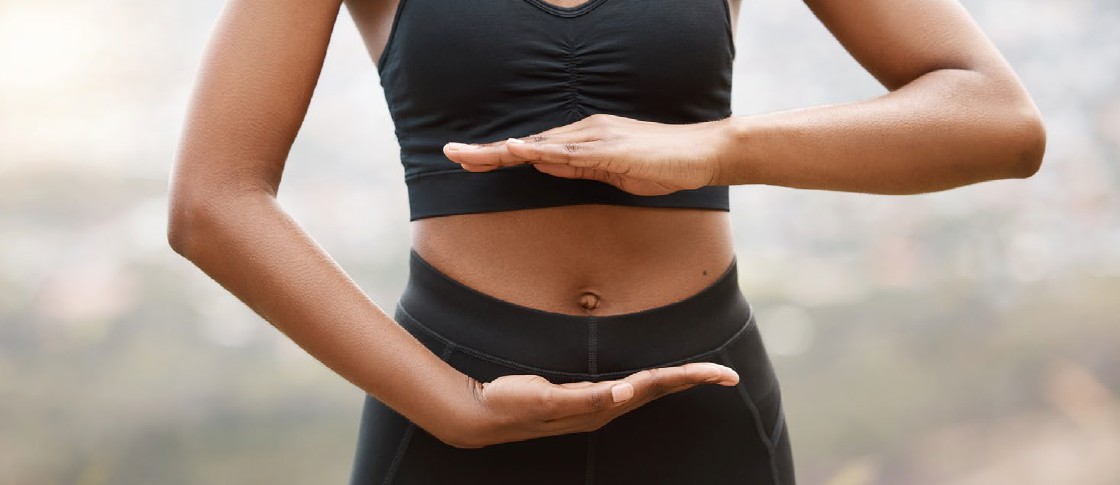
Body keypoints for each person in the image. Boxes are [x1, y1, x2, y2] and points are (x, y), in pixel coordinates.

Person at [166, 0, 1046, 483]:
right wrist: (449, 404)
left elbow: (999, 121)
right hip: (448, 410)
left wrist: (715, 145)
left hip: (704, 400)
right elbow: (213, 198)